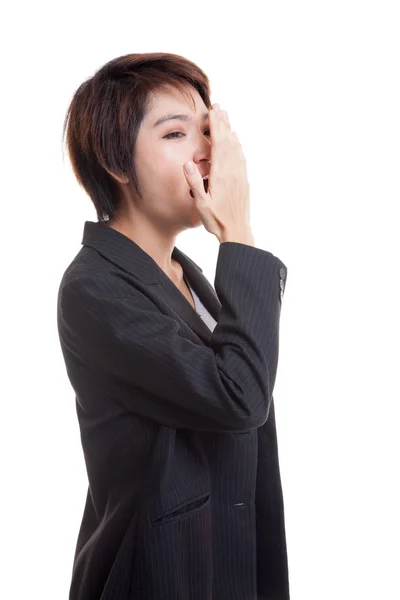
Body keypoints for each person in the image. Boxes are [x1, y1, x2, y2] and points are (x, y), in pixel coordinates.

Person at [57, 52, 290, 600]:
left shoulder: (188, 274)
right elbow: (239, 398)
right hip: (162, 577)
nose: (206, 151)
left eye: (207, 130)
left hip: (228, 566)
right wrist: (239, 234)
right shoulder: (94, 288)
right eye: (176, 133)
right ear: (115, 159)